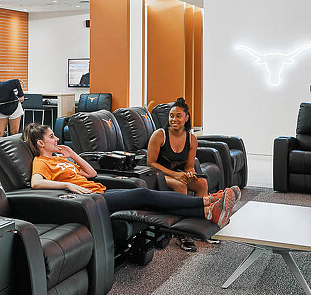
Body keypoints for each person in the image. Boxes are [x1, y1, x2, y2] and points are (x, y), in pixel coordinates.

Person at [24, 123, 238, 232]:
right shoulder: (42, 162)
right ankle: (206, 201)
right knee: (143, 194)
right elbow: (36, 182)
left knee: (149, 203)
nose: (57, 139)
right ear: (40, 143)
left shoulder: (62, 159)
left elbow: (92, 174)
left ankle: (207, 212)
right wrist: (68, 186)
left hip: (99, 191)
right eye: (51, 136)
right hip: (90, 200)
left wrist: (72, 154)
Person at [147, 97, 208, 197]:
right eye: (171, 116)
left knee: (202, 184)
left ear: (186, 118)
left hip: (175, 174)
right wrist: (175, 175)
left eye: (178, 116)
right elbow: (151, 163)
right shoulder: (159, 135)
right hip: (155, 174)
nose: (174, 119)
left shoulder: (192, 139)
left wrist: (190, 173)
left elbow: (189, 167)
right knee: (181, 185)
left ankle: (199, 207)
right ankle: (183, 208)